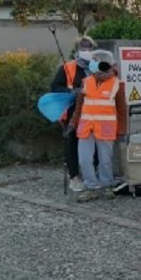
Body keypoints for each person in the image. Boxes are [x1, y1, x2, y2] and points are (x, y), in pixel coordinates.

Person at [69, 50, 128, 202]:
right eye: (93, 61)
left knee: (105, 160)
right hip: (86, 127)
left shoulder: (117, 84)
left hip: (106, 128)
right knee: (84, 159)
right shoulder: (86, 82)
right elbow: (79, 106)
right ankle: (91, 187)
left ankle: (107, 185)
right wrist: (72, 123)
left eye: (96, 61)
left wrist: (122, 130)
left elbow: (122, 110)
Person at [50, 35, 96, 192]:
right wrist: (71, 91)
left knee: (93, 143)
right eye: (83, 48)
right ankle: (74, 177)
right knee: (72, 143)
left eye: (89, 47)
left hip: (93, 112)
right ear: (77, 50)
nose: (86, 50)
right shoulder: (67, 67)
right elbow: (55, 87)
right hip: (72, 112)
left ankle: (92, 174)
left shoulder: (97, 67)